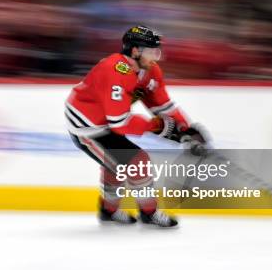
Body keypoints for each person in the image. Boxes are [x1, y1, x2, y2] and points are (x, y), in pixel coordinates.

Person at [65, 25, 207, 226]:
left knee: (117, 164)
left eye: (157, 51)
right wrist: (160, 127)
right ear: (134, 51)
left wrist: (186, 129)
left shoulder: (150, 70)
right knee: (137, 161)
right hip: (88, 126)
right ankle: (148, 212)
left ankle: (109, 210)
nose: (156, 57)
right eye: (151, 51)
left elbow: (163, 105)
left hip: (107, 122)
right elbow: (119, 124)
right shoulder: (115, 69)